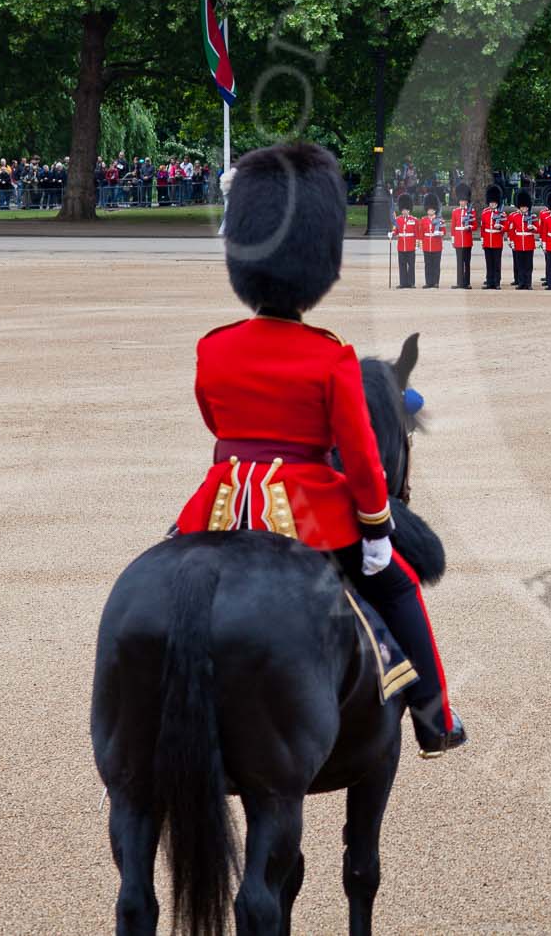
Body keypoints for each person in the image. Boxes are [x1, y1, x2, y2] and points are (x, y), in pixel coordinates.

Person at [171, 142, 465, 755]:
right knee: (399, 587)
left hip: (220, 503)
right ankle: (435, 722)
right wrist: (380, 532)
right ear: (316, 268)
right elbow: (359, 457)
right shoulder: (329, 355)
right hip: (307, 510)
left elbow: (213, 421)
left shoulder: (214, 346)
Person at [450, 185, 476, 290]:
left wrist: (469, 227)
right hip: (458, 241)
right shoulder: (455, 211)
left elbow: (475, 225)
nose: (462, 202)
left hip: (467, 241)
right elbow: (453, 227)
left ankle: (467, 282)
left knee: (467, 263)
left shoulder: (471, 211)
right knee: (459, 263)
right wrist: (453, 239)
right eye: (461, 201)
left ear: (467, 201)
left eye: (464, 201)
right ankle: (459, 282)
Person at [419, 199, 445, 289]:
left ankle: (436, 282)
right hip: (427, 246)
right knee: (428, 265)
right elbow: (421, 233)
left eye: (432, 210)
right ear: (427, 210)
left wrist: (439, 233)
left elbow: (444, 232)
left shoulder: (440, 220)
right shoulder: (423, 220)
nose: (430, 211)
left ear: (435, 210)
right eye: (429, 209)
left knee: (436, 265)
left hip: (437, 246)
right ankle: (428, 282)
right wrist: (420, 245)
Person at [392, 201, 418, 289]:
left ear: (409, 210)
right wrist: (391, 234)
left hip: (411, 246)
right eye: (403, 210)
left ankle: (411, 283)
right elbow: (395, 232)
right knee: (402, 265)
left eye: (406, 210)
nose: (404, 212)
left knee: (411, 265)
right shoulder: (398, 220)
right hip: (401, 246)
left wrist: (417, 245)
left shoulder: (414, 220)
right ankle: (403, 283)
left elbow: (416, 233)